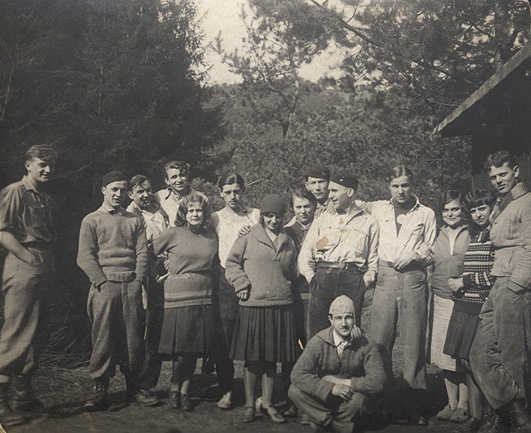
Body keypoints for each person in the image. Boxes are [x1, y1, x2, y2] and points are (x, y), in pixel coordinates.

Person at [77, 171, 158, 411]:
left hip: (131, 285)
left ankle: (134, 389)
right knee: (103, 340)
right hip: (104, 287)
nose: (118, 194)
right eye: (114, 189)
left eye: (123, 190)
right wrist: (101, 282)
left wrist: (138, 281)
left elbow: (142, 254)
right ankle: (100, 391)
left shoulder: (134, 220)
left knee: (134, 340)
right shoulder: (91, 220)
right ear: (104, 190)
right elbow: (85, 256)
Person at [364, 165, 437, 425]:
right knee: (379, 340)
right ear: (389, 186)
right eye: (395, 186)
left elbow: (432, 248)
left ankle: (414, 405)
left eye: (405, 185)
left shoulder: (426, 213)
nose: (400, 190)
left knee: (413, 341)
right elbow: (348, 204)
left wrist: (414, 255)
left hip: (413, 277)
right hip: (385, 276)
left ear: (412, 185)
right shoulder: (377, 209)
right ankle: (383, 402)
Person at [470, 151, 531, 432]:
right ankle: (513, 412)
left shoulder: (526, 203)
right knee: (479, 352)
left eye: (503, 174)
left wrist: (517, 284)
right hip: (498, 283)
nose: (498, 180)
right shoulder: (500, 204)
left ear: (516, 171)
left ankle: (519, 420)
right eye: (493, 176)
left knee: (512, 355)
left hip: (514, 283)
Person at [226, 194, 300, 424]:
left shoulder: (288, 240)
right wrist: (241, 284)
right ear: (262, 216)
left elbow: (293, 270)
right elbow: (231, 263)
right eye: (268, 216)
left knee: (272, 359)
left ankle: (267, 404)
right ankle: (250, 405)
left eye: (277, 216)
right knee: (253, 359)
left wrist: (286, 284)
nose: (273, 220)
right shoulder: (248, 236)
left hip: (281, 305)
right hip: (254, 305)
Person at [0, 145, 57, 426]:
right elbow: (2, 231)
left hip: (43, 264)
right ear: (28, 165)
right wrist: (28, 258)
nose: (48, 169)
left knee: (37, 332)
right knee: (16, 331)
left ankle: (22, 397)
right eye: (42, 164)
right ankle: (1, 404)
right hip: (24, 264)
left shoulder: (43, 196)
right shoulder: (16, 191)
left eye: (51, 165)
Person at [152, 193, 220, 412]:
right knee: (181, 348)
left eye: (198, 210)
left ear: (204, 213)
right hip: (178, 297)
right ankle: (174, 388)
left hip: (203, 295)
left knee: (195, 347)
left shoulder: (211, 236)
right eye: (190, 210)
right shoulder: (173, 233)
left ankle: (185, 390)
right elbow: (147, 253)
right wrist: (157, 273)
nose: (195, 214)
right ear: (183, 213)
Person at [298, 170, 379, 338]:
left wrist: (364, 282)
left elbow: (373, 261)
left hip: (352, 281)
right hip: (323, 280)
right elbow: (305, 253)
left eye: (334, 191)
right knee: (318, 335)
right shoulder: (322, 218)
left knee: (350, 334)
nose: (330, 196)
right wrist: (312, 279)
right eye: (330, 191)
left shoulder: (369, 222)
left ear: (349, 192)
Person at [288, 295, 385, 433]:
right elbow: (297, 374)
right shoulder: (318, 341)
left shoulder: (366, 343)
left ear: (355, 318)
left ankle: (321, 422)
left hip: (349, 397)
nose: (343, 324)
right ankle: (334, 425)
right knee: (294, 390)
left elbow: (378, 382)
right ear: (331, 320)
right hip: (324, 397)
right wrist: (331, 388)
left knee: (360, 400)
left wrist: (342, 382)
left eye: (348, 317)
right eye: (338, 318)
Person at [443, 189, 496, 432]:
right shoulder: (475, 234)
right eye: (473, 210)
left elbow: (494, 274)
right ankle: (476, 415)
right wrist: (458, 284)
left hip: (483, 304)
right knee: (465, 359)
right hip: (466, 302)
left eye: (482, 208)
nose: (478, 214)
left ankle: (492, 413)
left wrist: (464, 281)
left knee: (479, 359)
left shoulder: (496, 235)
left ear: (492, 208)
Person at [209, 173, 259, 409]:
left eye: (237, 191)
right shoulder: (215, 218)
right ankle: (227, 389)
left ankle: (253, 393)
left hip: (254, 280)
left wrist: (253, 233)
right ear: (220, 193)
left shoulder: (255, 215)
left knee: (254, 336)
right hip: (226, 282)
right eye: (227, 192)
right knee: (225, 337)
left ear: (243, 191)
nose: (232, 196)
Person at [126, 175, 169, 403]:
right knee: (144, 328)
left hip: (164, 268)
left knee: (157, 327)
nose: (145, 195)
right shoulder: (130, 214)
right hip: (142, 271)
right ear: (131, 194)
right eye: (140, 192)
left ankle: (148, 383)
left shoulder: (160, 210)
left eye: (148, 190)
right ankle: (137, 384)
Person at [430, 190, 470, 424]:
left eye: (455, 209)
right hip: (441, 298)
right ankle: (451, 403)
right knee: (445, 354)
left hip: (466, 298)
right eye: (446, 210)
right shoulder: (437, 233)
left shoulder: (471, 231)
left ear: (462, 210)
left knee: (461, 353)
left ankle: (464, 405)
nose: (451, 213)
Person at [283, 188, 318, 418]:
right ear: (292, 208)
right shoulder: (287, 231)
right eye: (298, 206)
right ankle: (292, 399)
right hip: (293, 295)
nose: (303, 211)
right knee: (292, 348)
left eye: (307, 206)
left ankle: (312, 401)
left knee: (313, 347)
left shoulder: (322, 227)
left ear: (314, 206)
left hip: (315, 293)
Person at [155, 160, 206, 226]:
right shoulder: (160, 196)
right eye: (174, 177)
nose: (179, 180)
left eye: (182, 175)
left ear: (187, 176)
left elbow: (207, 222)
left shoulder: (200, 197)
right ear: (167, 180)